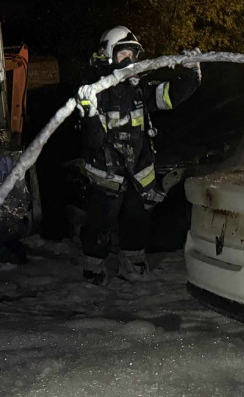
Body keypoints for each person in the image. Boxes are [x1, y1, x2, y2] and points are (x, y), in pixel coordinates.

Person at [76, 26, 201, 284]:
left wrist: (191, 72)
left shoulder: (139, 88)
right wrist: (89, 114)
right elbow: (92, 140)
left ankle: (132, 266)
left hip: (137, 174)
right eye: (124, 54)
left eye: (133, 55)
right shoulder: (94, 90)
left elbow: (171, 96)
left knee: (136, 222)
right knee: (100, 224)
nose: (130, 61)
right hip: (106, 175)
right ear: (109, 54)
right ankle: (93, 269)